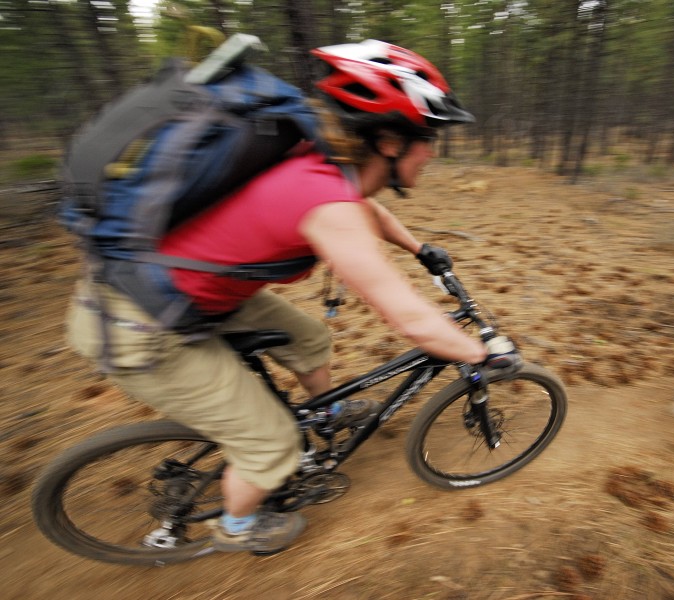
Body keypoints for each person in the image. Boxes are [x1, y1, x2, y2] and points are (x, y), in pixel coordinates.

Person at [66, 39, 515, 555]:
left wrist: (420, 249)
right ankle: (237, 528)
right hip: (138, 323)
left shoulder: (320, 159)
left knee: (308, 337)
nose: (432, 151)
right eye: (428, 138)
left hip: (169, 289)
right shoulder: (324, 201)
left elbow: (363, 206)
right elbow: (407, 316)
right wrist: (483, 352)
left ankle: (323, 415)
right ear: (390, 142)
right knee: (270, 443)